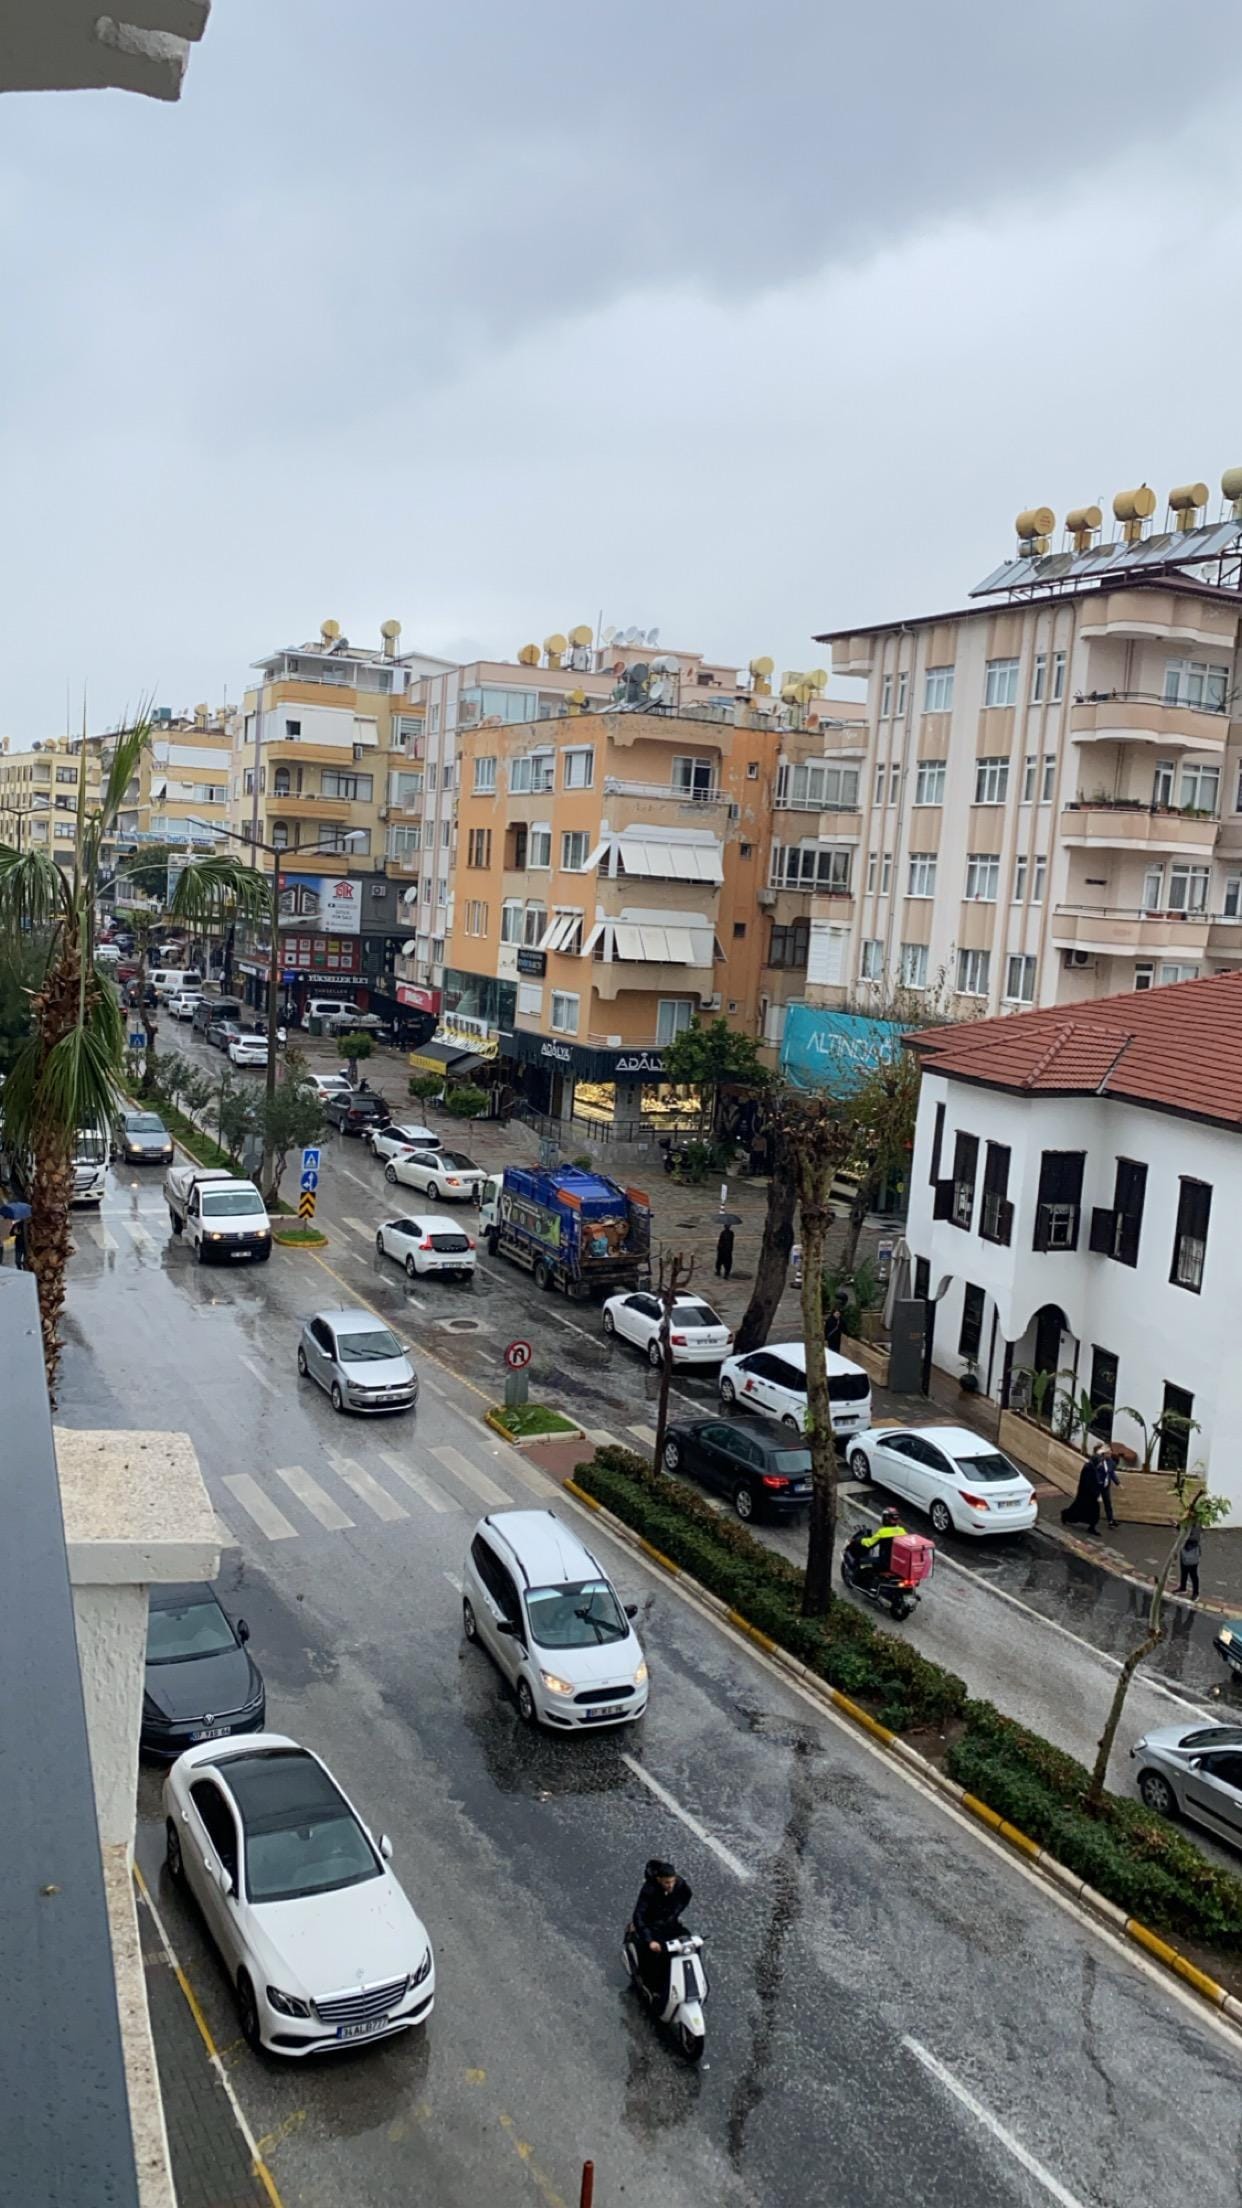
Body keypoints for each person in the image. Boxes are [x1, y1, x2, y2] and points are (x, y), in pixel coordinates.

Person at [630, 1858, 693, 2008]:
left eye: (672, 1882)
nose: (670, 1885)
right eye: (666, 1883)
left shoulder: (680, 1884)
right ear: (659, 1880)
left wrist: (673, 1914)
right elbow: (639, 1915)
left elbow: (686, 1896)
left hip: (669, 1923)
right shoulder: (649, 1890)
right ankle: (651, 1987)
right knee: (656, 1954)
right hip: (652, 1926)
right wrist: (649, 1940)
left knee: (689, 1941)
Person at [858, 1506, 906, 1582]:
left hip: (884, 1563)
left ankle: (864, 1582)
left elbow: (869, 1544)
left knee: (861, 1563)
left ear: (886, 1519)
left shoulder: (883, 1532)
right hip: (898, 1564)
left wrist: (860, 1540)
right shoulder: (902, 1531)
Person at [1061, 1455, 1101, 1536]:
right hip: (1086, 1495)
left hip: (1091, 1495)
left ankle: (1092, 1527)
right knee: (1078, 1509)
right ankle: (1066, 1515)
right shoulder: (1088, 1469)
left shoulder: (1093, 1468)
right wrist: (1094, 1491)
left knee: (1093, 1511)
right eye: (1099, 1462)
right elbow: (1087, 1483)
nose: (1100, 1464)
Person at [1093, 1444, 1120, 1531]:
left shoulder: (1111, 1462)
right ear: (1104, 1454)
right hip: (1097, 1485)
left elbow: (1112, 1473)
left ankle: (1110, 1521)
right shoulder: (1098, 1461)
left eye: (1110, 1452)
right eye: (1108, 1453)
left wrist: (1118, 1483)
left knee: (1108, 1503)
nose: (1110, 1454)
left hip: (1105, 1486)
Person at [1178, 1524, 1202, 1600]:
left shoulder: (1196, 1524)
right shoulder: (1188, 1522)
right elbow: (1184, 1530)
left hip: (1192, 1551)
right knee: (1184, 1571)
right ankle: (1183, 1588)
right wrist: (1177, 1526)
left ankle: (1196, 1593)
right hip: (1185, 1549)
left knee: (1193, 1574)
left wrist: (1184, 1536)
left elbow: (1194, 1538)